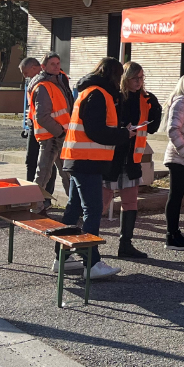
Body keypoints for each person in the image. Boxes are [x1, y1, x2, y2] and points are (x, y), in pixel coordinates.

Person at [61, 58, 134, 280]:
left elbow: (93, 128)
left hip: (79, 158)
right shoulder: (98, 94)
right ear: (113, 75)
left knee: (74, 208)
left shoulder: (88, 91)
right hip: (87, 160)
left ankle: (61, 258)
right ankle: (91, 263)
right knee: (91, 210)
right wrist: (123, 134)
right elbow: (96, 131)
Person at [104, 61, 161, 260]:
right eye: (135, 78)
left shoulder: (146, 98)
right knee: (101, 203)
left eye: (141, 77)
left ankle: (125, 244)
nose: (139, 81)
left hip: (132, 159)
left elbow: (152, 127)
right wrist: (121, 130)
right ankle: (89, 243)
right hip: (112, 157)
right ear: (125, 78)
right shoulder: (115, 97)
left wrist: (156, 110)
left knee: (130, 203)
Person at [30, 52, 74, 211]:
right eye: (52, 64)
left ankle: (74, 206)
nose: (57, 67)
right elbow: (42, 116)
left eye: (58, 63)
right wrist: (60, 132)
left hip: (60, 134)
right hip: (51, 136)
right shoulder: (42, 86)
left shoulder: (59, 80)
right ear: (43, 67)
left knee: (67, 172)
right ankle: (35, 207)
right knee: (44, 174)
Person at [162, 72, 184, 250]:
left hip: (183, 157)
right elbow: (173, 129)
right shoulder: (181, 102)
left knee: (181, 195)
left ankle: (175, 234)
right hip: (178, 157)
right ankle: (171, 235)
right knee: (176, 195)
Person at [19, 57, 42, 182]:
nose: (25, 77)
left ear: (34, 68)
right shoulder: (34, 82)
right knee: (31, 159)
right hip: (33, 124)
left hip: (45, 127)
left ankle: (45, 197)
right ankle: (29, 189)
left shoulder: (46, 81)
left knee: (45, 163)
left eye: (26, 73)